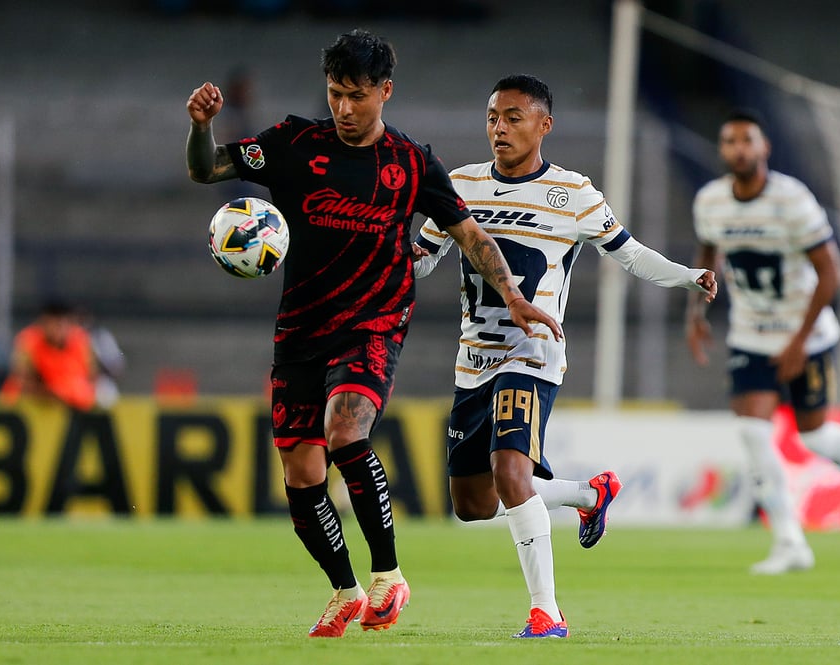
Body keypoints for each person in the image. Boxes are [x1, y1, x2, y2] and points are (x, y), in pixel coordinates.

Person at [185, 31, 562, 638]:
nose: (344, 109)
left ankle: (389, 575)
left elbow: (469, 234)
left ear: (384, 91)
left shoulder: (412, 163)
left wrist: (514, 295)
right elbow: (207, 169)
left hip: (374, 322)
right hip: (301, 329)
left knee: (344, 430)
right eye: (335, 94)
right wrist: (202, 125)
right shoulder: (292, 143)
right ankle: (344, 590)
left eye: (357, 96)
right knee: (301, 474)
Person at [412, 74, 717, 638]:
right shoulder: (458, 186)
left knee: (510, 469)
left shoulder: (573, 193)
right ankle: (587, 493)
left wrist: (687, 277)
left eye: (512, 117)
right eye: (492, 117)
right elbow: (422, 259)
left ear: (544, 125)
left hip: (533, 354)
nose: (498, 128)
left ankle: (546, 612)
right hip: (472, 361)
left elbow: (630, 255)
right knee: (472, 503)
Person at [685, 108, 840, 575]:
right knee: (752, 433)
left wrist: (798, 341)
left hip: (808, 336)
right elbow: (707, 252)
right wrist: (696, 311)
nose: (738, 148)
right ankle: (790, 542)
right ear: (722, 150)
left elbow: (832, 271)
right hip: (751, 334)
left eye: (747, 140)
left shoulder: (792, 199)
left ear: (764, 148)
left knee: (813, 434)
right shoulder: (710, 201)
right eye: (730, 141)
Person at [0, 299, 98, 412]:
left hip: (71, 405)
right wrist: (50, 391)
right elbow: (21, 380)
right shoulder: (29, 341)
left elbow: (91, 378)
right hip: (29, 406)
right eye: (53, 324)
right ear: (43, 323)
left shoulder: (81, 341)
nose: (57, 330)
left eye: (60, 324)